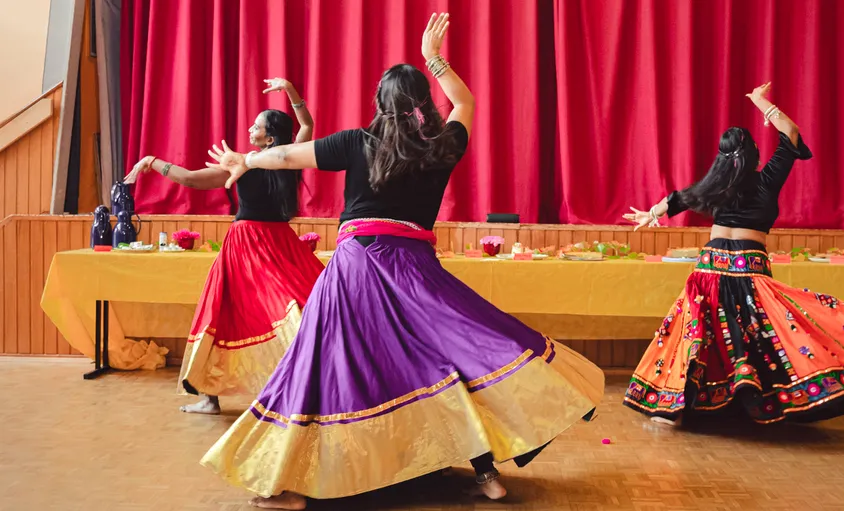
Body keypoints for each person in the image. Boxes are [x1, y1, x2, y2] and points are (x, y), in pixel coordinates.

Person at [202, 13, 604, 510]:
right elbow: (465, 102)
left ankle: (286, 486)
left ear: (378, 104)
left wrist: (248, 161)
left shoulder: (356, 142)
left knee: (320, 365)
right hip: (415, 270)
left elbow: (287, 157)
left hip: (355, 269)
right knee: (446, 357)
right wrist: (434, 55)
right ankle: (486, 476)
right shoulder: (441, 146)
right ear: (422, 105)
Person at [622, 82, 844, 426]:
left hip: (709, 269)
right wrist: (761, 102)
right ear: (755, 153)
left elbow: (677, 199)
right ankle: (749, 401)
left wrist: (651, 214)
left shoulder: (714, 185)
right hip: (747, 269)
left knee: (702, 334)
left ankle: (678, 406)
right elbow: (792, 134)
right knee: (758, 334)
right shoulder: (766, 180)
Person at [124, 78, 324, 415]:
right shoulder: (288, 158)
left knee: (224, 312)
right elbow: (307, 124)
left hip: (248, 244)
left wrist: (152, 161)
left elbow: (189, 179)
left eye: (256, 126)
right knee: (300, 303)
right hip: (280, 243)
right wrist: (289, 90)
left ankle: (217, 397)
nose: (250, 128)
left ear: (269, 137)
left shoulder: (249, 163)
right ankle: (299, 382)